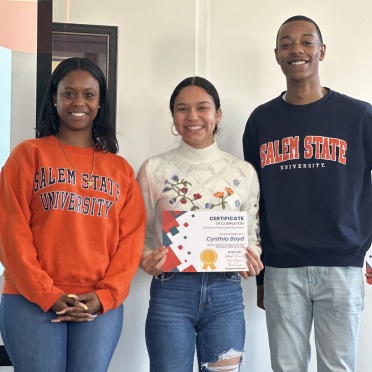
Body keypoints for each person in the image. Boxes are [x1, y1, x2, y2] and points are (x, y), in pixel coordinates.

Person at [243, 15, 372, 372]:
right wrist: (262, 278)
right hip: (283, 268)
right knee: (286, 368)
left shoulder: (360, 116)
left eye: (305, 41)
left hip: (343, 265)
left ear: (322, 50)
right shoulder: (261, 121)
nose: (295, 49)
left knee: (338, 368)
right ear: (276, 54)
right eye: (286, 43)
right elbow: (256, 203)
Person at [0, 57, 146, 372]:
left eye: (89, 94)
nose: (78, 102)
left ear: (101, 102)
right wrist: (46, 293)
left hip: (97, 303)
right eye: (69, 93)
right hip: (30, 299)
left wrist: (107, 294)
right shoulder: (28, 155)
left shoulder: (120, 170)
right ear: (54, 97)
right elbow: (11, 232)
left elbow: (130, 242)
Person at [137, 76, 263, 372]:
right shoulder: (154, 169)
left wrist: (251, 258)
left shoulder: (243, 172)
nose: (192, 117)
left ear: (217, 114)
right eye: (182, 109)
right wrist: (146, 259)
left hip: (226, 294)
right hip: (171, 294)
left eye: (202, 108)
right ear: (173, 116)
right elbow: (138, 234)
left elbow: (251, 235)